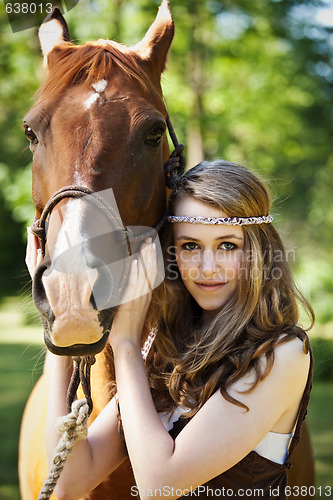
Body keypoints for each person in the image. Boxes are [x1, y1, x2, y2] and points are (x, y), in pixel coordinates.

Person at [26, 160, 314, 500]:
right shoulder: (164, 350)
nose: (208, 268)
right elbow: (69, 485)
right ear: (172, 253)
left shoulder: (281, 353)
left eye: (228, 245)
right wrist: (60, 321)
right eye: (191, 246)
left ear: (257, 251)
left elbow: (158, 486)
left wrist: (127, 345)